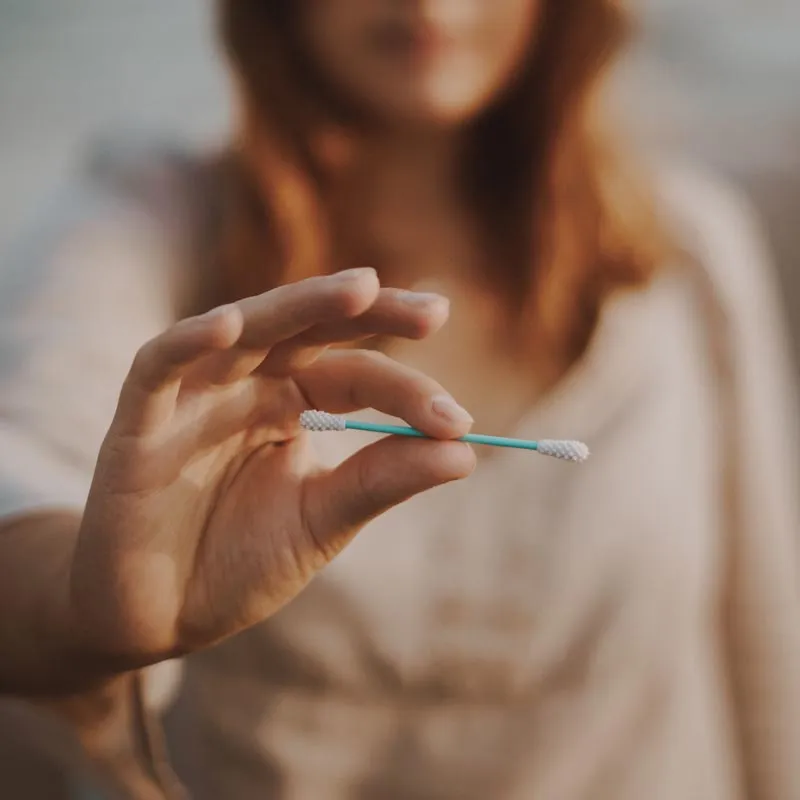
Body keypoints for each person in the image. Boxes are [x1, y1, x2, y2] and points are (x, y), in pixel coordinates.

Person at [0, 1, 799, 798]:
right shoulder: (146, 233)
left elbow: (766, 651)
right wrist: (83, 606)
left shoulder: (685, 253)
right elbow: (23, 467)